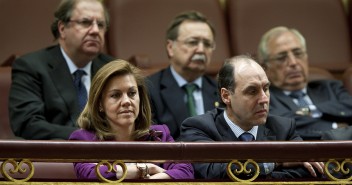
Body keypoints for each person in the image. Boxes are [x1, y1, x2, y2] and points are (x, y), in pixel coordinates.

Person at [179, 55, 324, 179]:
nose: (264, 99)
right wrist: (275, 162)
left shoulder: (283, 128)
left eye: (266, 89)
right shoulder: (200, 128)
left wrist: (260, 172)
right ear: (226, 96)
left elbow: (306, 171)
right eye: (252, 91)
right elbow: (213, 173)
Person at [69, 60, 194, 180]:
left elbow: (185, 171)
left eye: (132, 93)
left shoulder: (159, 135)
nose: (127, 101)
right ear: (100, 104)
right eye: (115, 95)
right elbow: (90, 173)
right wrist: (139, 170)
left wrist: (150, 179)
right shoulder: (83, 139)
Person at [9, 0, 114, 140]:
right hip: (56, 157)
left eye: (100, 24)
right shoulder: (31, 67)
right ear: (62, 28)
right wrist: (86, 136)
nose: (95, 30)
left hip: (109, 157)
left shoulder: (113, 69)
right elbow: (28, 124)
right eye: (85, 22)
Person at [257, 26, 352, 140]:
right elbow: (277, 124)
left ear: (306, 57)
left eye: (298, 53)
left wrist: (310, 110)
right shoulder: (264, 98)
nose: (293, 62)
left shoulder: (330, 87)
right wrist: (336, 127)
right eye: (281, 57)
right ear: (265, 67)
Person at [147, 11, 219, 140]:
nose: (201, 50)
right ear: (170, 47)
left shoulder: (220, 91)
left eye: (207, 44)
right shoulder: (149, 90)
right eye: (193, 42)